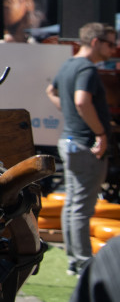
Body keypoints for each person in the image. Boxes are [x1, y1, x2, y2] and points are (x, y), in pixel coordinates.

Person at [45, 22, 116, 275]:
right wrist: (99, 133)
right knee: (81, 207)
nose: (114, 47)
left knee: (73, 204)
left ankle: (75, 261)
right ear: (95, 42)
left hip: (71, 141)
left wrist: (72, 115)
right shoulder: (85, 67)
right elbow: (81, 101)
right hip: (85, 144)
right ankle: (82, 263)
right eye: (110, 42)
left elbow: (50, 91)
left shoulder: (69, 64)